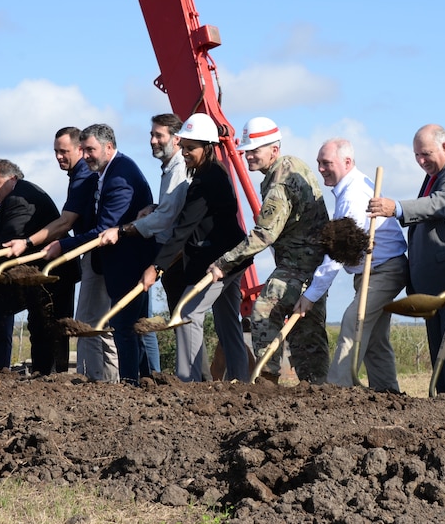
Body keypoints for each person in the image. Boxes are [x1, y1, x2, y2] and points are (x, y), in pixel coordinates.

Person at [368, 124, 445, 396]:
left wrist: (397, 208)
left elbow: (442, 203)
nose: (421, 161)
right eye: (417, 156)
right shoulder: (434, 174)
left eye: (426, 154)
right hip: (434, 280)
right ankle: (442, 404)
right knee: (440, 347)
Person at [209, 117, 330, 384]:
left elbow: (265, 233)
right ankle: (316, 389)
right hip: (308, 264)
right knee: (306, 329)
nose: (248, 156)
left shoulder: (279, 182)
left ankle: (268, 379)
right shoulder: (289, 166)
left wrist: (224, 263)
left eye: (255, 151)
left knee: (264, 311)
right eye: (247, 151)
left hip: (300, 264)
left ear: (273, 150)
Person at [139, 113, 250, 382]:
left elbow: (183, 229)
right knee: (226, 322)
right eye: (184, 146)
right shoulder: (211, 174)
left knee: (187, 312)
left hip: (219, 261)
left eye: (191, 148)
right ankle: (241, 381)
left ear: (208, 147)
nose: (185, 152)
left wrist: (156, 266)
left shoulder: (206, 181)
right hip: (231, 258)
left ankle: (188, 382)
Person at [46, 124, 155, 384]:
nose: (85, 157)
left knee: (124, 326)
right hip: (116, 261)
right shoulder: (108, 171)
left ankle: (130, 381)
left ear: (108, 147)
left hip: (126, 260)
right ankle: (134, 380)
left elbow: (104, 229)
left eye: (90, 150)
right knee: (125, 325)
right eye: (83, 150)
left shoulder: (120, 176)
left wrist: (64, 246)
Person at [296, 138, 408, 392]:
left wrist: (312, 294)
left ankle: (337, 389)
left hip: (384, 269)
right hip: (373, 271)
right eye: (319, 164)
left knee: (353, 321)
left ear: (347, 162)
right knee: (375, 339)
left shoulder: (354, 194)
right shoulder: (349, 189)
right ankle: (387, 391)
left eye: (327, 163)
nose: (321, 169)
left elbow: (338, 251)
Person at [98, 113, 187, 374]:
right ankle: (151, 378)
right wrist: (155, 207)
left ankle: (191, 381)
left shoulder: (179, 168)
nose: (152, 140)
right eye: (152, 135)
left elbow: (167, 219)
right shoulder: (169, 168)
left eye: (159, 135)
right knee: (152, 321)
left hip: (176, 254)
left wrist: (124, 230)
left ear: (177, 138)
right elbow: (171, 209)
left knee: (182, 321)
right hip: (166, 251)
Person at [8, 127, 101, 375]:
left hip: (95, 252)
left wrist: (26, 243)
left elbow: (64, 223)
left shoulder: (83, 177)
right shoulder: (77, 175)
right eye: (56, 152)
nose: (59, 156)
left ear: (80, 149)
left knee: (88, 320)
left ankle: (97, 377)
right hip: (87, 252)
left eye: (64, 151)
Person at [0, 159, 71, 374]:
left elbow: (9, 243)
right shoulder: (19, 194)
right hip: (44, 275)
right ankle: (46, 376)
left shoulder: (18, 199)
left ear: (11, 179)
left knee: (48, 329)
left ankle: (49, 379)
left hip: (51, 277)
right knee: (42, 328)